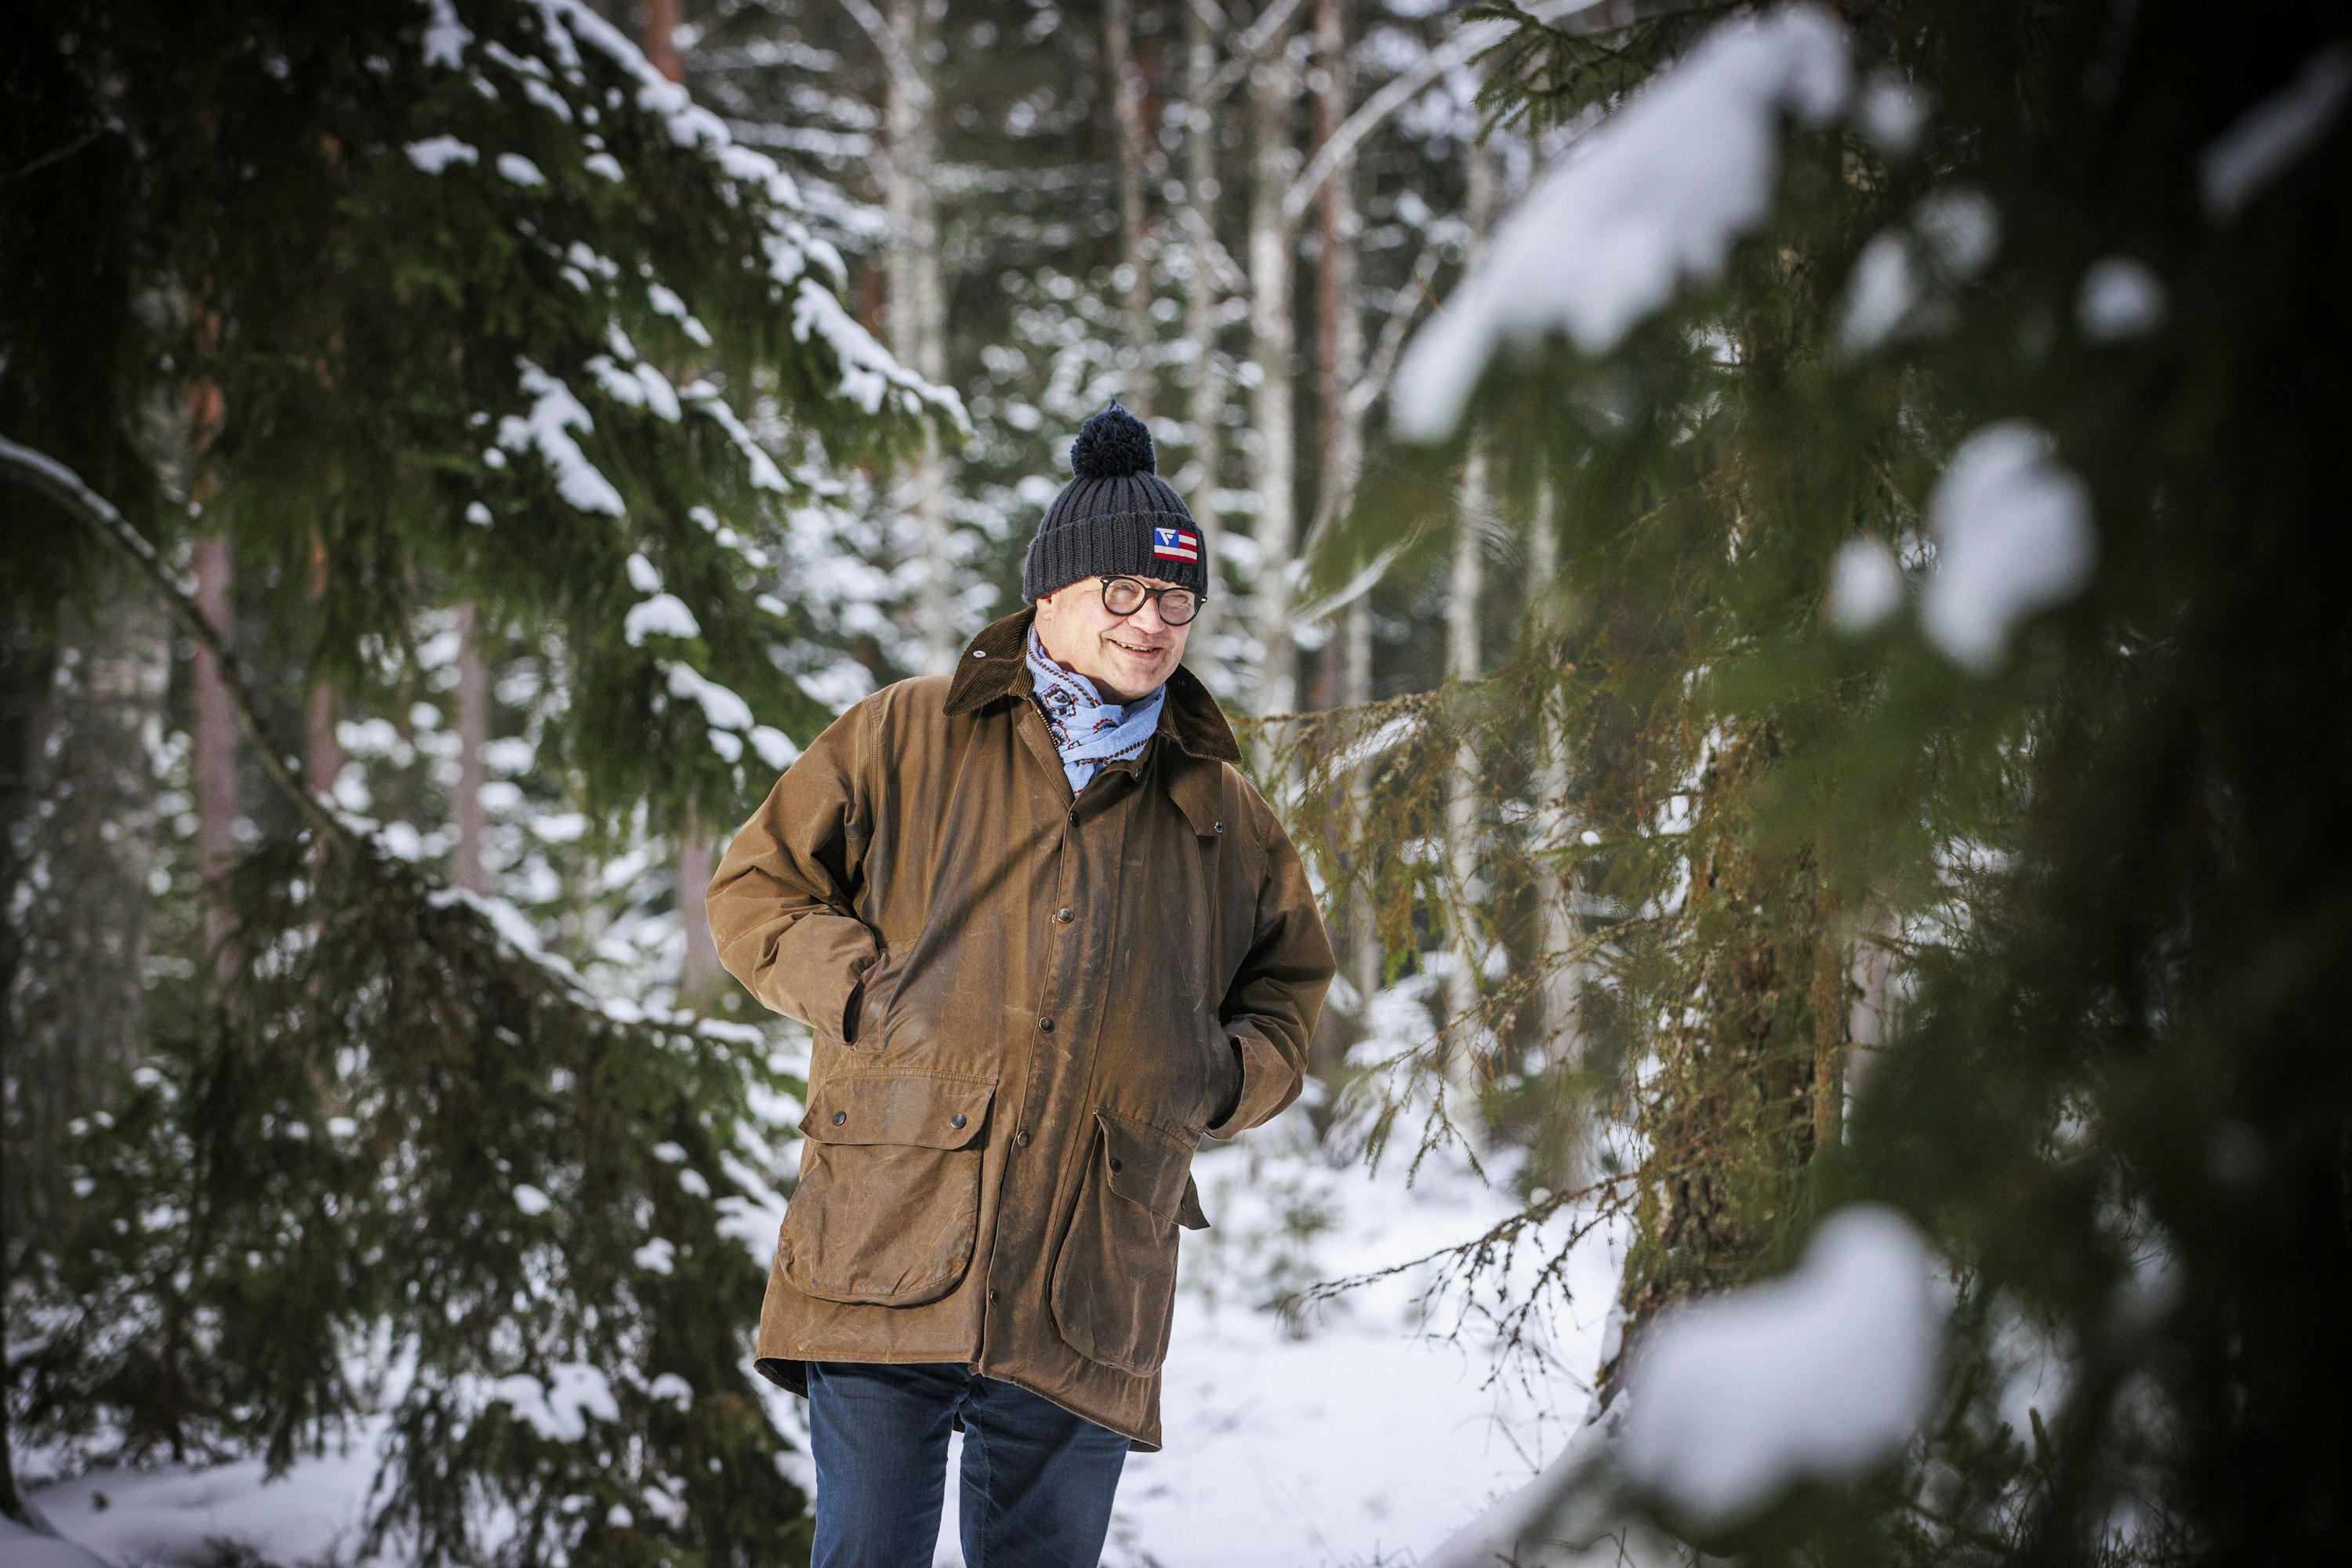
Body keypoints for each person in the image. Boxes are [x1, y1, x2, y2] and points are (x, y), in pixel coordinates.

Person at [706, 403, 1335, 1567]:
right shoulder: (906, 735)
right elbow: (755, 890)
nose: (1153, 626)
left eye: (1177, 602)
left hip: (1089, 1274)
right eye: (1125, 595)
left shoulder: (1222, 810)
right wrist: (866, 996)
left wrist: (1217, 1079)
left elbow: (1289, 987)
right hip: (887, 1241)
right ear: (1050, 595)